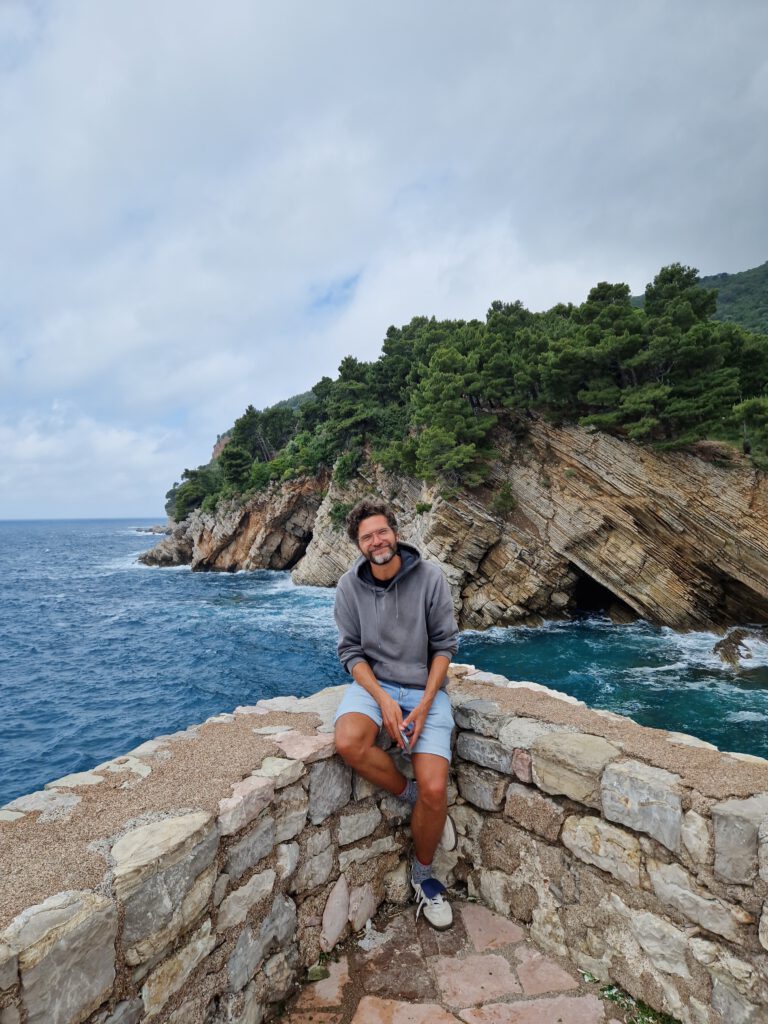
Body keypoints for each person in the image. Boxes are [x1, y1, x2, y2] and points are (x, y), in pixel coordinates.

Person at [333, 497, 459, 929]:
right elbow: (350, 653)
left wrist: (424, 703)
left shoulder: (430, 578)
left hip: (426, 687)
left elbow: (444, 646)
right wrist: (384, 700)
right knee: (348, 741)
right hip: (375, 686)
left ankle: (424, 876)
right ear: (359, 544)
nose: (376, 541)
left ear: (396, 533)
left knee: (436, 789)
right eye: (367, 536)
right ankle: (409, 795)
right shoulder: (348, 587)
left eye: (381, 532)